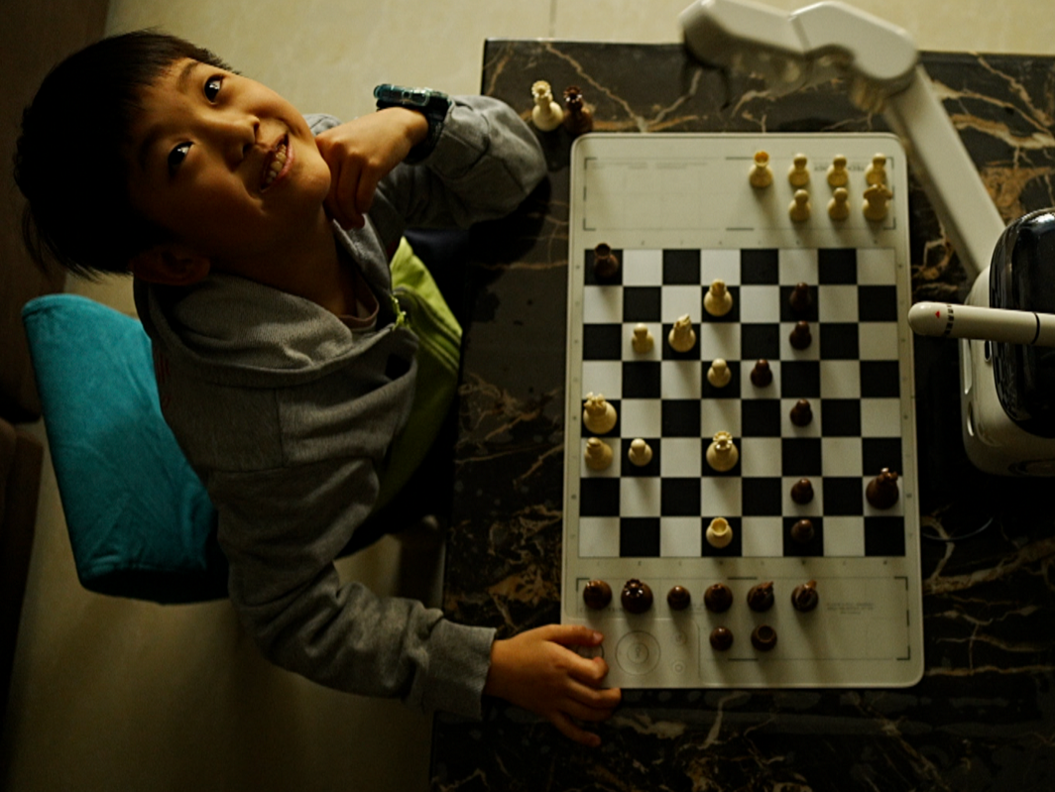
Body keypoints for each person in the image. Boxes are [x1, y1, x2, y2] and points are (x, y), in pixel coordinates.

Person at [13, 31, 621, 746]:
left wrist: (416, 125)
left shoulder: (318, 170)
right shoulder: (276, 445)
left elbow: (514, 174)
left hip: (409, 312)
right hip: (400, 447)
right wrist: (483, 666)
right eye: (180, 157)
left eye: (211, 89)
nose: (238, 129)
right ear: (175, 258)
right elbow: (287, 616)